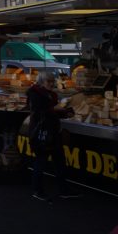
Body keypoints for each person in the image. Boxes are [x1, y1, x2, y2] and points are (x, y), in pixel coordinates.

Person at [28, 71, 78, 202]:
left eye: (52, 81)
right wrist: (56, 110)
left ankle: (63, 190)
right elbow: (39, 112)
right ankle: (37, 190)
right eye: (48, 81)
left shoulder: (53, 95)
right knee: (41, 162)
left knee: (60, 162)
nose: (51, 84)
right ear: (41, 82)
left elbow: (55, 112)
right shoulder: (34, 94)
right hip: (41, 133)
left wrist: (65, 113)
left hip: (54, 133)